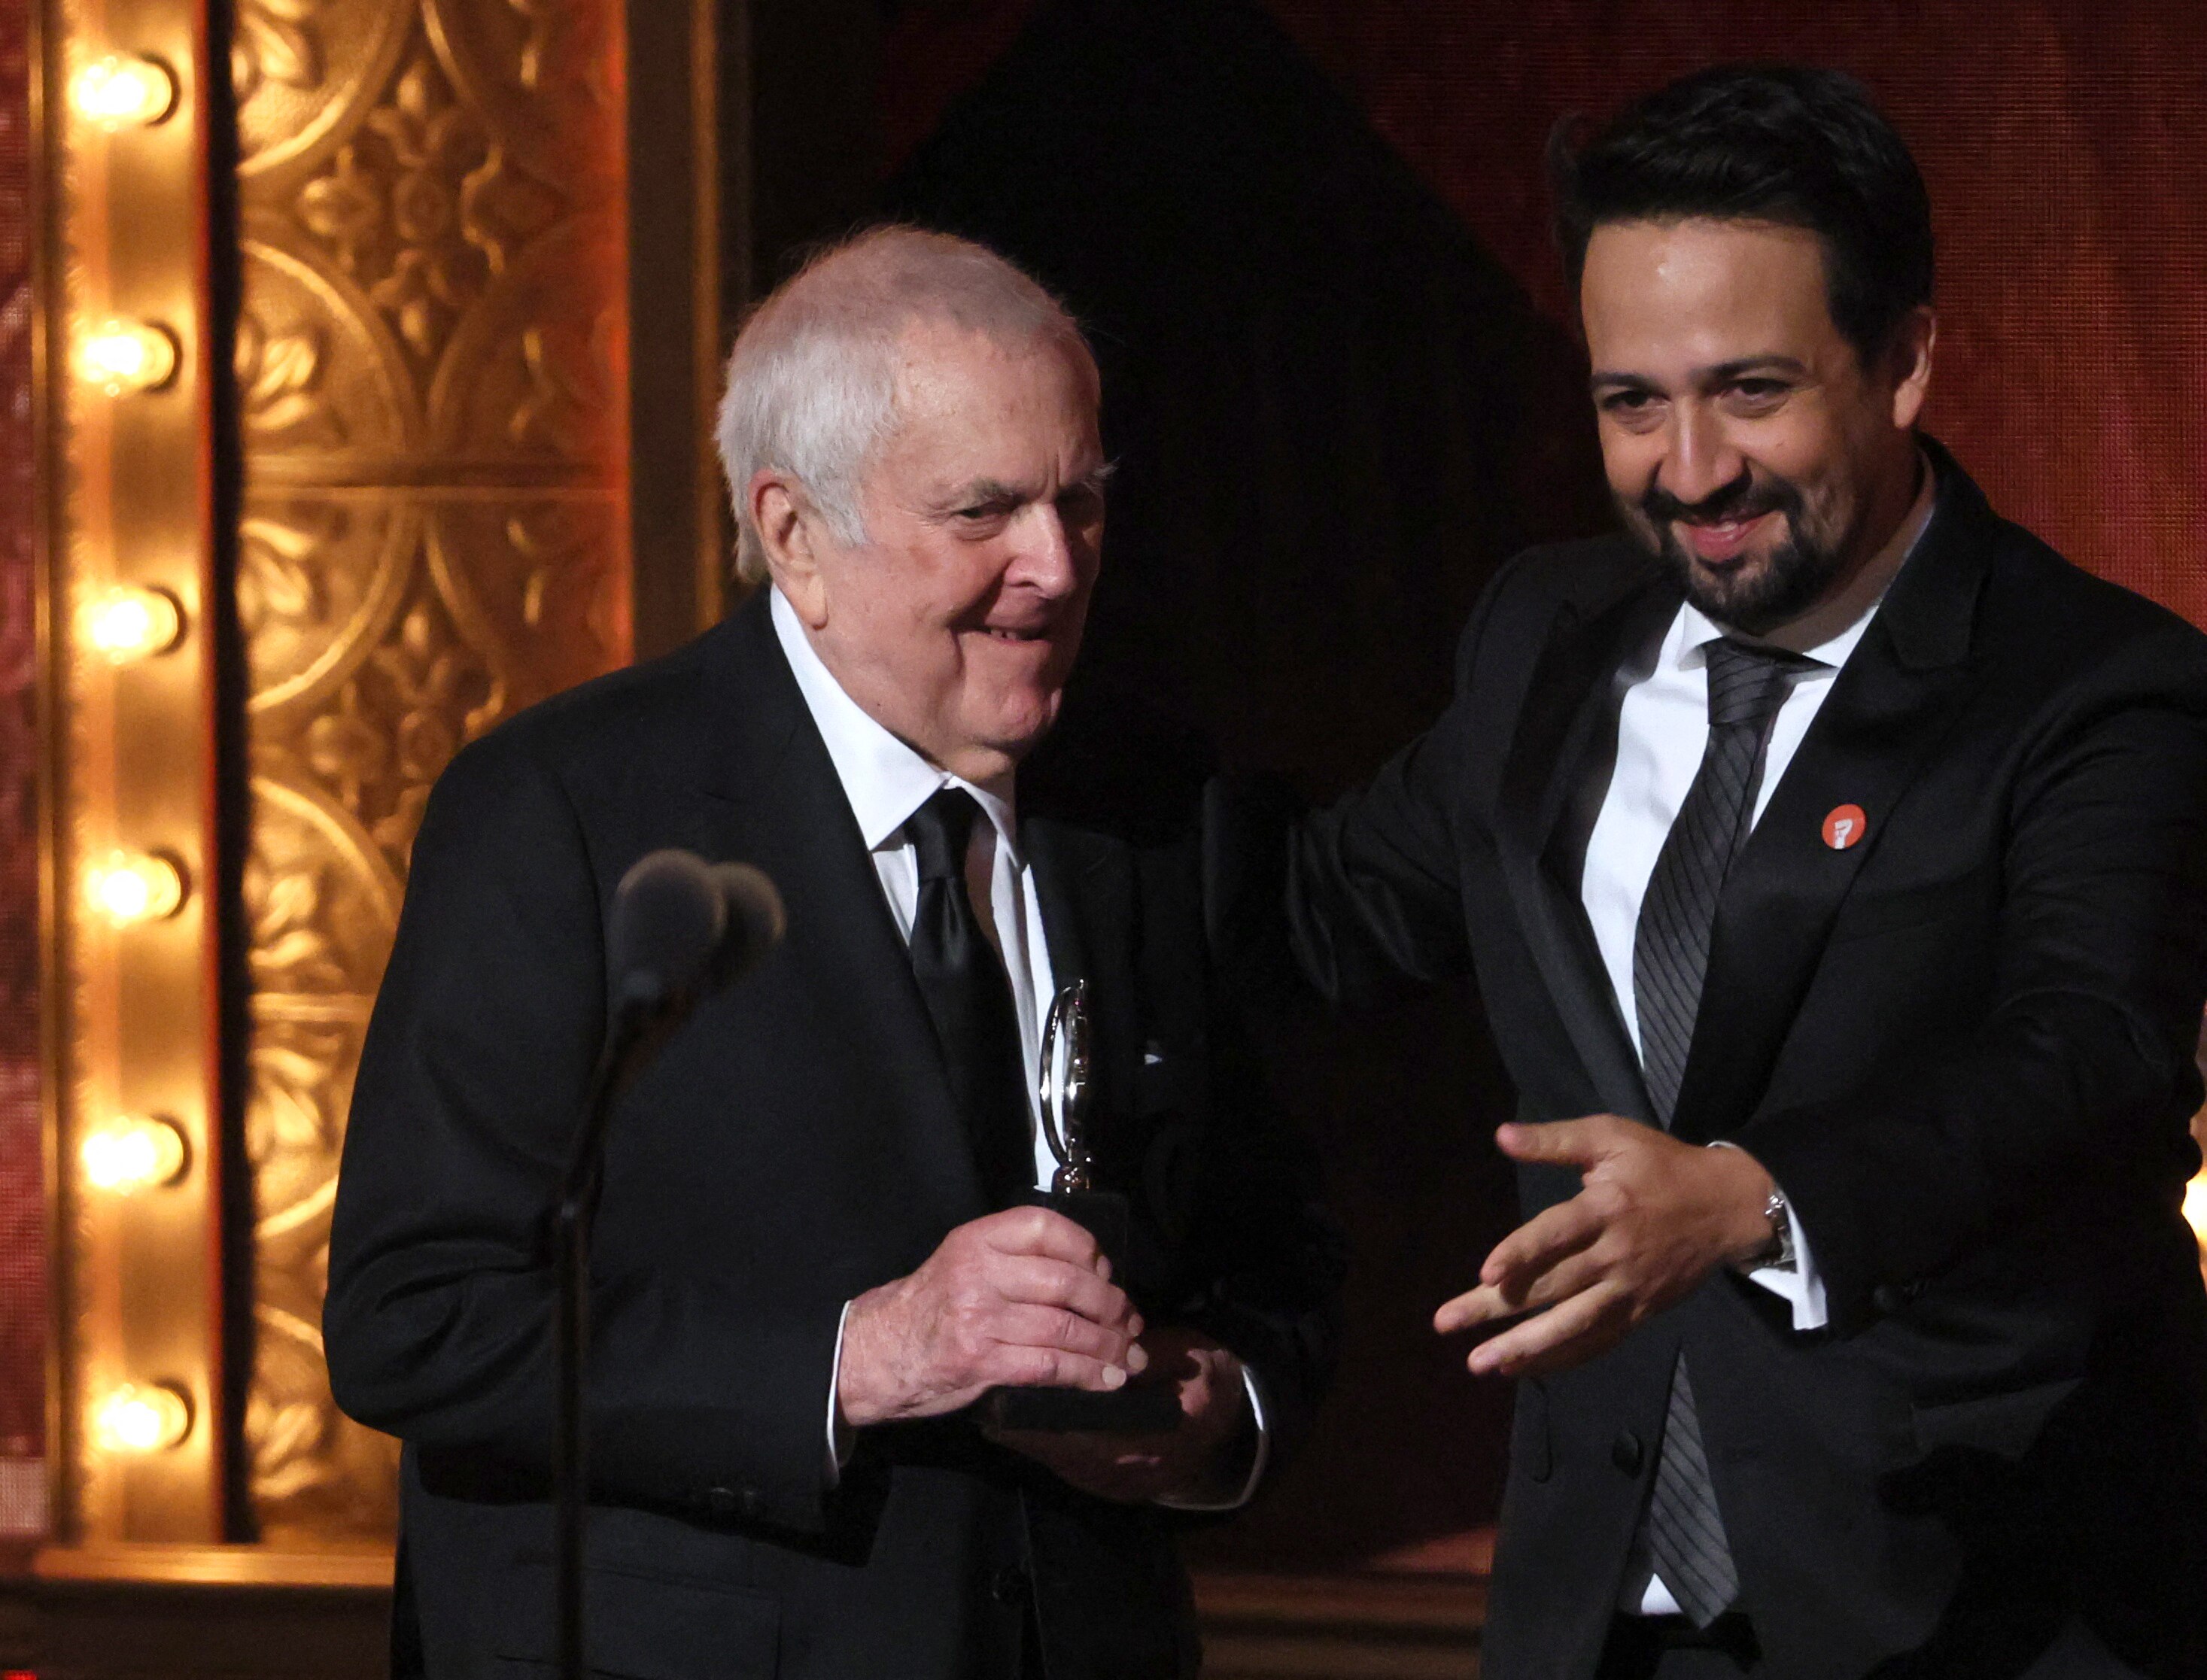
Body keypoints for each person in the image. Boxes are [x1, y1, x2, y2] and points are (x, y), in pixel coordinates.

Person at [1273, 65, 2207, 1680]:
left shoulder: (2093, 687)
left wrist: (1756, 1201)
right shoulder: (1539, 642)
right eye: (1631, 401)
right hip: (1600, 1620)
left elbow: (2092, 1053)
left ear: (1908, 359)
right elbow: (1317, 912)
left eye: (1750, 391)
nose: (1688, 468)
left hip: (1981, 1610)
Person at [324, 226, 1342, 1680]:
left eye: (1081, 502)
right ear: (794, 533)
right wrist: (863, 1354)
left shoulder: (1157, 806)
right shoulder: (565, 812)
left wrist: (1213, 1411)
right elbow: (413, 1319)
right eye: (983, 510)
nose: (1053, 566)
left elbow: (1277, 1248)